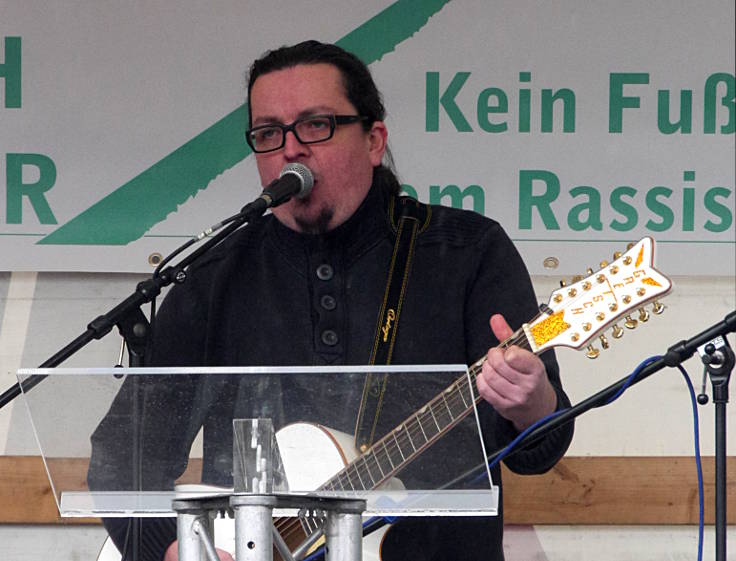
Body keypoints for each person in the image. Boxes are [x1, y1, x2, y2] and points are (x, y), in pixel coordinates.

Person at [89, 40, 573, 561]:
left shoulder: (468, 251)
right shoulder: (216, 274)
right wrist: (173, 550)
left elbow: (536, 451)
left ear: (374, 140)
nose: (290, 149)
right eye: (269, 133)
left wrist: (533, 404)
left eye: (315, 125)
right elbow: (123, 456)